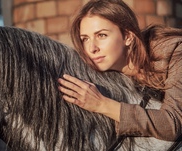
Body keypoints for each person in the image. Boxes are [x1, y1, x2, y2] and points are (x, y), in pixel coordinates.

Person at [58, 0, 182, 141]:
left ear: (128, 37)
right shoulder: (98, 72)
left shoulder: (175, 52)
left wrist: (101, 104)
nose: (92, 48)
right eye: (85, 39)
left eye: (101, 35)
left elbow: (172, 125)